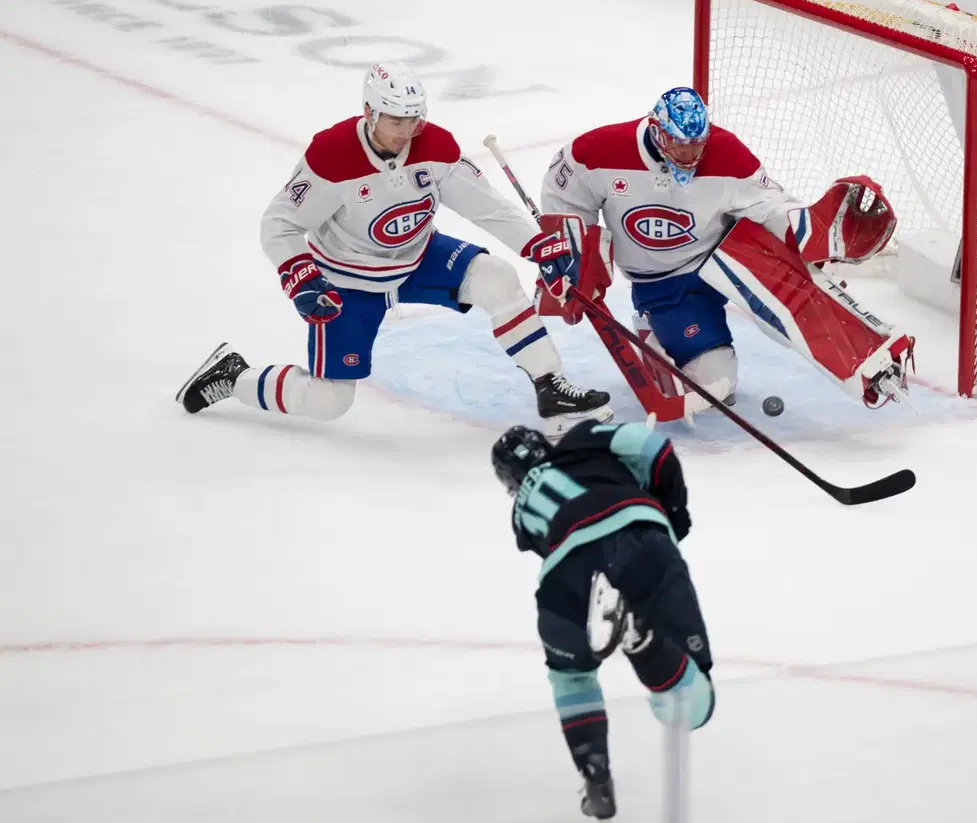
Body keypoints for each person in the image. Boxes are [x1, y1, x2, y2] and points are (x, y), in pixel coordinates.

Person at [175, 62, 611, 432]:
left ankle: (550, 388)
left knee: (496, 278)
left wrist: (539, 246)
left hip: (418, 259)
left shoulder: (434, 146)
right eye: (396, 120)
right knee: (330, 401)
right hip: (346, 281)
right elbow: (280, 223)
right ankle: (235, 376)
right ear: (369, 112)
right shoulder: (333, 156)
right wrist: (299, 276)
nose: (407, 132)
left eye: (414, 119)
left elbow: (487, 207)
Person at [533, 86, 914, 414]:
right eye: (679, 145)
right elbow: (563, 193)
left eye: (697, 144)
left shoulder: (727, 153)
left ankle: (872, 366)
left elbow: (769, 205)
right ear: (656, 130)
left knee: (797, 301)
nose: (690, 154)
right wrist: (570, 253)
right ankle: (654, 327)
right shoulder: (600, 150)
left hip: (730, 252)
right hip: (664, 283)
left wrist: (814, 230)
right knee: (717, 382)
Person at [492, 418, 713, 819]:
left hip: (563, 572)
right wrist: (672, 512)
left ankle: (595, 773)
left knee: (571, 675)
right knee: (693, 704)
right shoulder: (581, 440)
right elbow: (653, 447)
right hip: (637, 536)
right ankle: (643, 641)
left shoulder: (522, 520)